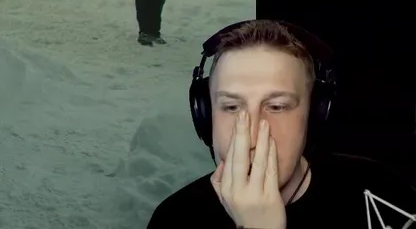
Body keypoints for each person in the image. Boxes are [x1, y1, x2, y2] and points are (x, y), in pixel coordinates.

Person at [147, 20, 415, 228]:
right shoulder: (174, 219)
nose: (252, 136)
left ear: (314, 113)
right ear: (205, 115)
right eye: (231, 107)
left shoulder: (382, 193)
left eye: (276, 107)